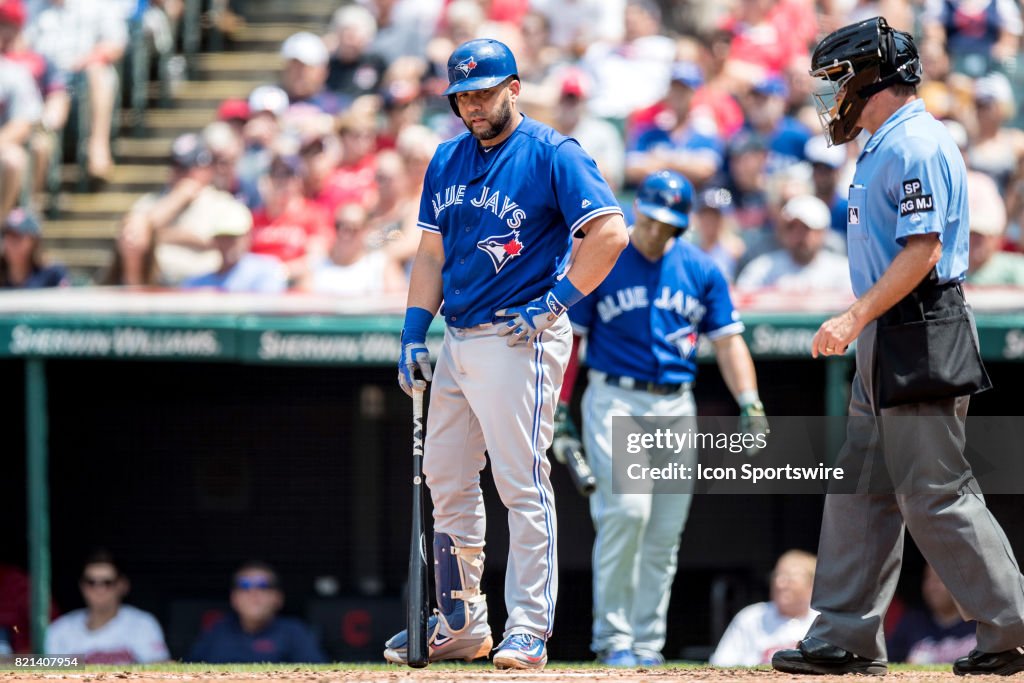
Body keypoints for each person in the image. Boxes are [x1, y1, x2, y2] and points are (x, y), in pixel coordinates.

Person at [772, 17, 1024, 677]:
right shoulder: (880, 143)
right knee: (860, 486)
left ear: (868, 77)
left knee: (935, 491)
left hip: (919, 326)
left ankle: (1014, 629)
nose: (831, 96)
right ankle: (845, 636)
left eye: (836, 80)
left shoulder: (915, 142)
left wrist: (854, 315)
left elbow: (923, 251)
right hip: (886, 334)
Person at [383, 38, 628, 670]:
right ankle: (461, 622)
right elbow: (431, 254)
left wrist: (556, 302)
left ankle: (529, 626)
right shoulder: (446, 158)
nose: (472, 105)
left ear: (513, 87)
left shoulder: (552, 152)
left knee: (522, 483)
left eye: (484, 92)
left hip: (521, 334)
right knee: (446, 478)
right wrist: (414, 331)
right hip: (460, 337)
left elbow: (609, 232)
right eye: (462, 95)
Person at [561, 170, 768, 667]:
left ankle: (647, 643)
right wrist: (559, 409)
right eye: (653, 220)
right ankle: (612, 639)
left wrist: (750, 401)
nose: (659, 231)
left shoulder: (701, 268)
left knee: (663, 532)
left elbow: (728, 338)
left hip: (676, 403)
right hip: (616, 397)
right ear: (639, 213)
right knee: (628, 513)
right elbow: (572, 340)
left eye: (668, 223)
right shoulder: (606, 260)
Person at [186, 561, 327, 664]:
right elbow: (188, 672)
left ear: (278, 598)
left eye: (263, 586)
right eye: (244, 585)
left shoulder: (294, 632)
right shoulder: (216, 631)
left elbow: (318, 674)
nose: (253, 593)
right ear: (234, 598)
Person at [45, 550, 169, 664]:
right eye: (91, 582)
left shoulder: (142, 624)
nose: (99, 589)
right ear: (82, 586)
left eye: (107, 582)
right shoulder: (60, 629)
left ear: (122, 585)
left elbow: (161, 669)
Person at [710, 550, 818, 667]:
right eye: (777, 576)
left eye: (789, 579)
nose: (779, 584)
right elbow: (722, 663)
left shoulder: (823, 620)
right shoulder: (751, 617)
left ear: (811, 584)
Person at [735, 195, 852, 293]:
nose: (798, 235)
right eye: (791, 227)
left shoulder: (843, 272)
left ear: (822, 232)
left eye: (806, 228)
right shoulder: (762, 269)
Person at [182, 196, 287, 293]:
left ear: (247, 236)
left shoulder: (267, 270)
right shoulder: (196, 283)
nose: (228, 244)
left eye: (234, 237)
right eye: (223, 238)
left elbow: (267, 306)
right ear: (215, 240)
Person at [886, 564, 977, 664]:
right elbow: (890, 662)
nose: (932, 587)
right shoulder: (913, 621)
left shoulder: (979, 621)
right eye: (927, 579)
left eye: (938, 580)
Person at [0, 207, 66, 288]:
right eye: (7, 236)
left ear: (33, 242)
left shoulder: (52, 275)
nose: (11, 243)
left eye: (17, 237)